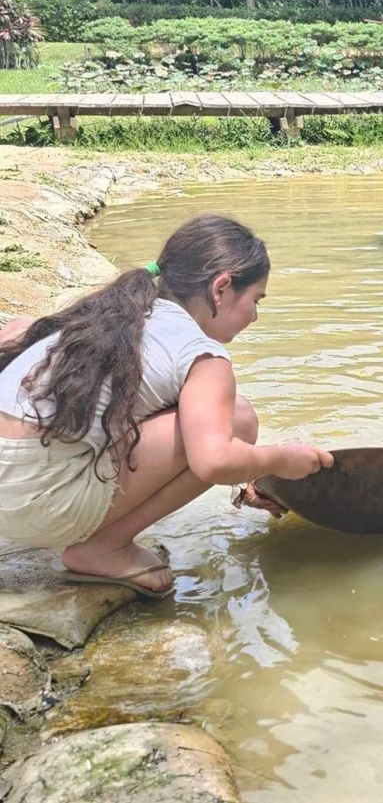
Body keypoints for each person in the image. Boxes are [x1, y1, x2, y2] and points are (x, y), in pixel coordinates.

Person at [0, 214, 331, 599]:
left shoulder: (113, 315)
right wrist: (279, 460)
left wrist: (251, 477)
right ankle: (104, 548)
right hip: (37, 509)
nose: (255, 316)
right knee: (238, 419)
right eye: (255, 300)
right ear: (221, 287)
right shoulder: (203, 356)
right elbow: (213, 461)